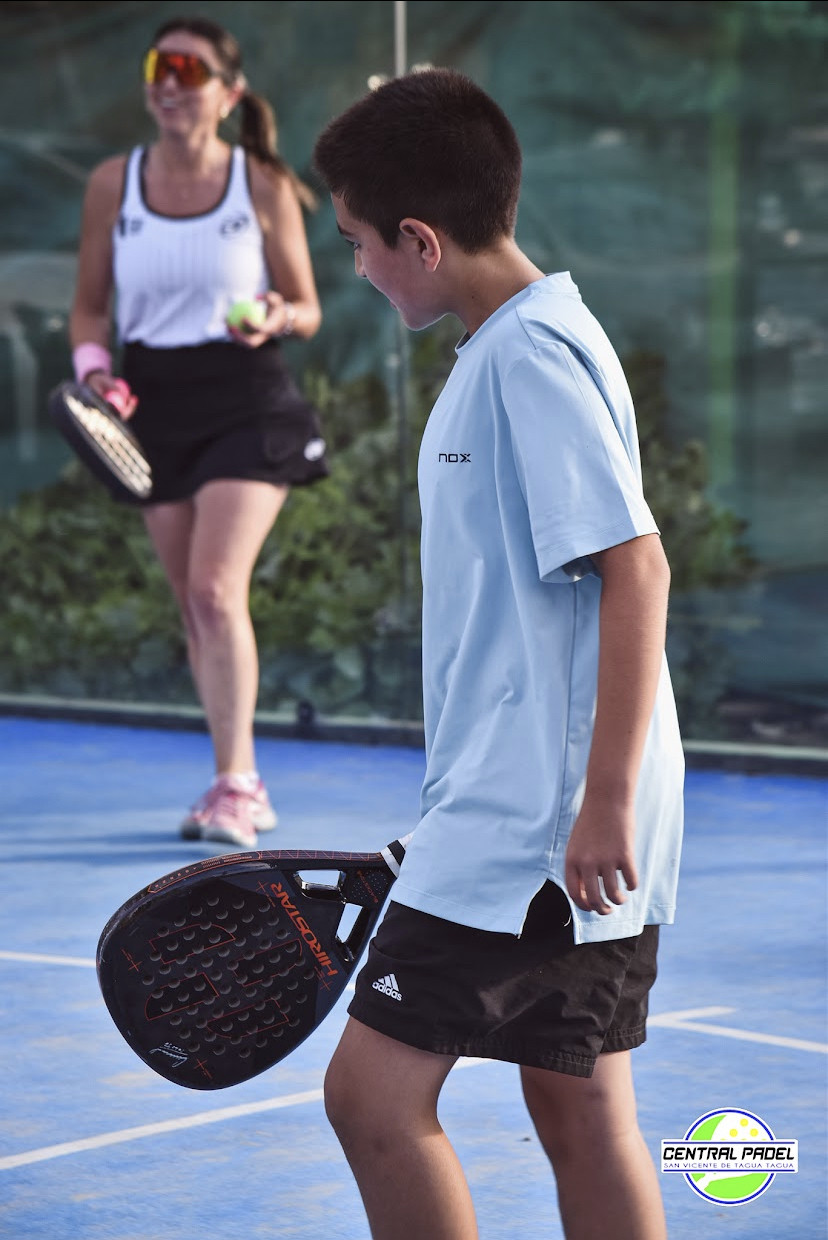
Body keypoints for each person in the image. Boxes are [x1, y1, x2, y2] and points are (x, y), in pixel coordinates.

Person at [313, 69, 684, 1240]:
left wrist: (601, 802)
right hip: (534, 813)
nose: (359, 268)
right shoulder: (515, 342)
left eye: (360, 242)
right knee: (581, 1107)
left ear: (420, 240)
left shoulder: (530, 357)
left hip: (540, 833)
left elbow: (638, 569)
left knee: (372, 1098)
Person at [69, 16, 328, 849]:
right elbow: (89, 309)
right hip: (151, 404)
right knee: (193, 603)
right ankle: (229, 775)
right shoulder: (112, 184)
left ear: (229, 93)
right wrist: (93, 370)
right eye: (159, 65)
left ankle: (239, 784)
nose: (170, 83)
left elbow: (308, 307)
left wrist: (276, 315)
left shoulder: (262, 184)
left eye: (189, 68)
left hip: (246, 398)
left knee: (216, 590)